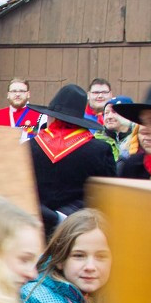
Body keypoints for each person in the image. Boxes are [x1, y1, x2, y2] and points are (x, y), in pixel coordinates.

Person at [27, 84, 117, 234]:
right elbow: (107, 198)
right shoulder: (100, 150)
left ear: (51, 117)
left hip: (34, 230)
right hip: (79, 232)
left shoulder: (27, 147)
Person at [100, 95, 139, 160]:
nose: (109, 117)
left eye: (114, 112)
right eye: (106, 113)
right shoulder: (97, 140)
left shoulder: (140, 139)